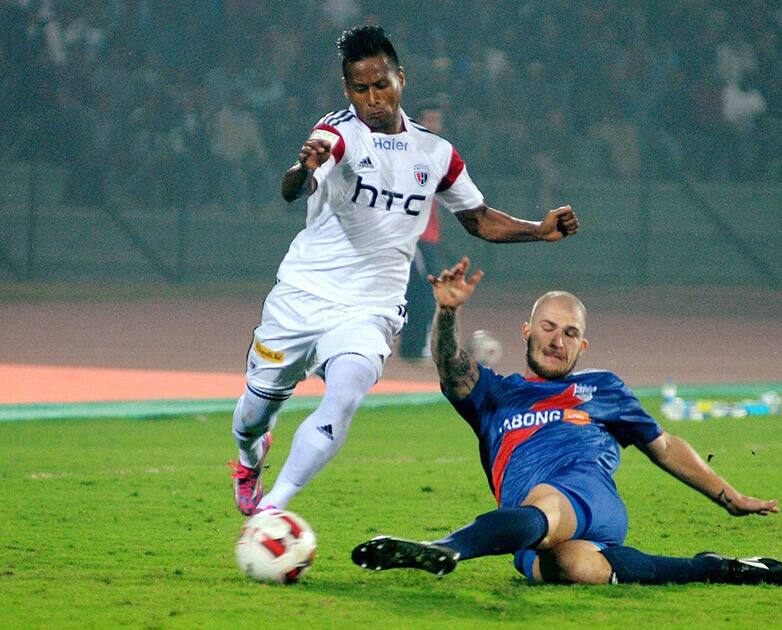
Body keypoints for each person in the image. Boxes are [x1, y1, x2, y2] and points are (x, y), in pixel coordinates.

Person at [228, 26, 579, 516]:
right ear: (347, 90)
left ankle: (273, 511)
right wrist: (303, 169)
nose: (371, 99)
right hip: (302, 295)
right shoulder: (336, 135)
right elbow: (294, 188)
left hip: (371, 308)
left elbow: (477, 218)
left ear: (401, 79)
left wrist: (537, 230)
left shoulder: (435, 154)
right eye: (358, 89)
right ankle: (250, 457)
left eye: (380, 85)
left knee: (345, 395)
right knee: (252, 415)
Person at [352, 257, 782, 586]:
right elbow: (450, 366)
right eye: (548, 327)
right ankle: (718, 568)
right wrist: (447, 312)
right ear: (526, 331)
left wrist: (729, 496)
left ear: (583, 345)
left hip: (588, 496)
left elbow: (663, 445)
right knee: (577, 567)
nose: (556, 340)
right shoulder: (495, 394)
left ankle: (446, 548)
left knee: (546, 500)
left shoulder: (603, 388)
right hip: (526, 528)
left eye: (569, 334)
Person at [398, 100, 446, 362]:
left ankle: (411, 346)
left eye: (437, 120)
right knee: (426, 287)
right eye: (429, 119)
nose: (434, 125)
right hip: (411, 234)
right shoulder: (408, 152)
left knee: (414, 289)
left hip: (428, 234)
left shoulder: (437, 153)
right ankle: (418, 345)